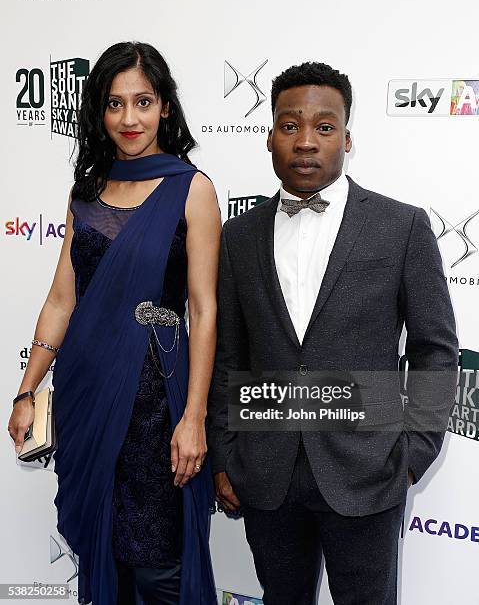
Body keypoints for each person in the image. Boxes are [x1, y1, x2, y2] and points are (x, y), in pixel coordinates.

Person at [208, 62, 458, 605]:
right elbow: (228, 354)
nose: (305, 141)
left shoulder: (402, 226)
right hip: (267, 472)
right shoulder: (237, 236)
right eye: (290, 125)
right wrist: (225, 456)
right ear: (270, 136)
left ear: (347, 139)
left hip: (367, 469)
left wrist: (413, 452)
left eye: (324, 127)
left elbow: (435, 350)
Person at [7, 42, 221, 605]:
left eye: (143, 102)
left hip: (158, 411)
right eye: (115, 103)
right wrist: (26, 391)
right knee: (106, 560)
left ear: (166, 108)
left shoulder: (191, 190)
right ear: (99, 112)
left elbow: (203, 309)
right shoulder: (86, 193)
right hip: (90, 400)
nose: (130, 119)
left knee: (159, 568)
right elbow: (60, 300)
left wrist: (194, 416)